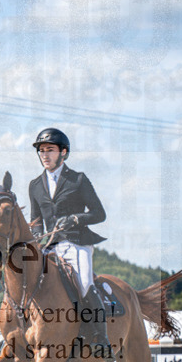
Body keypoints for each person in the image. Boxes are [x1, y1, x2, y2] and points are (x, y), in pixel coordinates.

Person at [27, 127, 109, 348]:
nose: (45, 155)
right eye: (42, 151)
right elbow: (36, 221)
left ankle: (101, 338)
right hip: (50, 246)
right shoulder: (35, 185)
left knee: (84, 283)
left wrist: (75, 218)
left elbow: (99, 214)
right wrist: (35, 237)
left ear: (63, 152)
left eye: (50, 150)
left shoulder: (78, 180)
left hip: (77, 243)